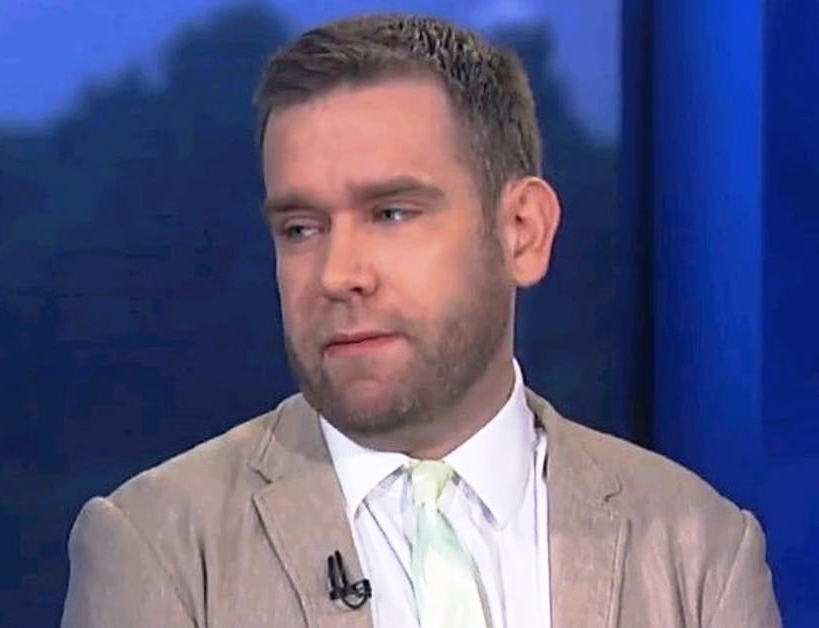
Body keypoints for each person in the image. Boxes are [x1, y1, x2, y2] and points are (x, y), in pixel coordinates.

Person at [61, 14, 781, 628]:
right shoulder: (160, 548)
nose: (338, 274)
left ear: (523, 232)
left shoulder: (700, 552)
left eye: (391, 213)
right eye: (301, 228)